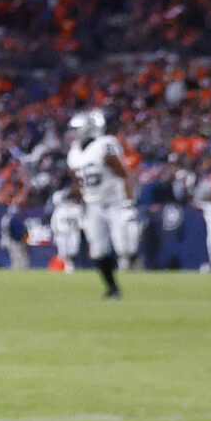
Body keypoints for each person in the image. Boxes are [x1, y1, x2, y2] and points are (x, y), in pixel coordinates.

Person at [67, 109, 135, 300]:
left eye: (76, 129)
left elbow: (123, 173)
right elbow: (80, 180)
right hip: (94, 204)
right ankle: (112, 288)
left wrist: (128, 201)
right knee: (97, 249)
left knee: (124, 244)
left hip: (114, 202)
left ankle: (137, 272)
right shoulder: (74, 152)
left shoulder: (105, 144)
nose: (73, 133)